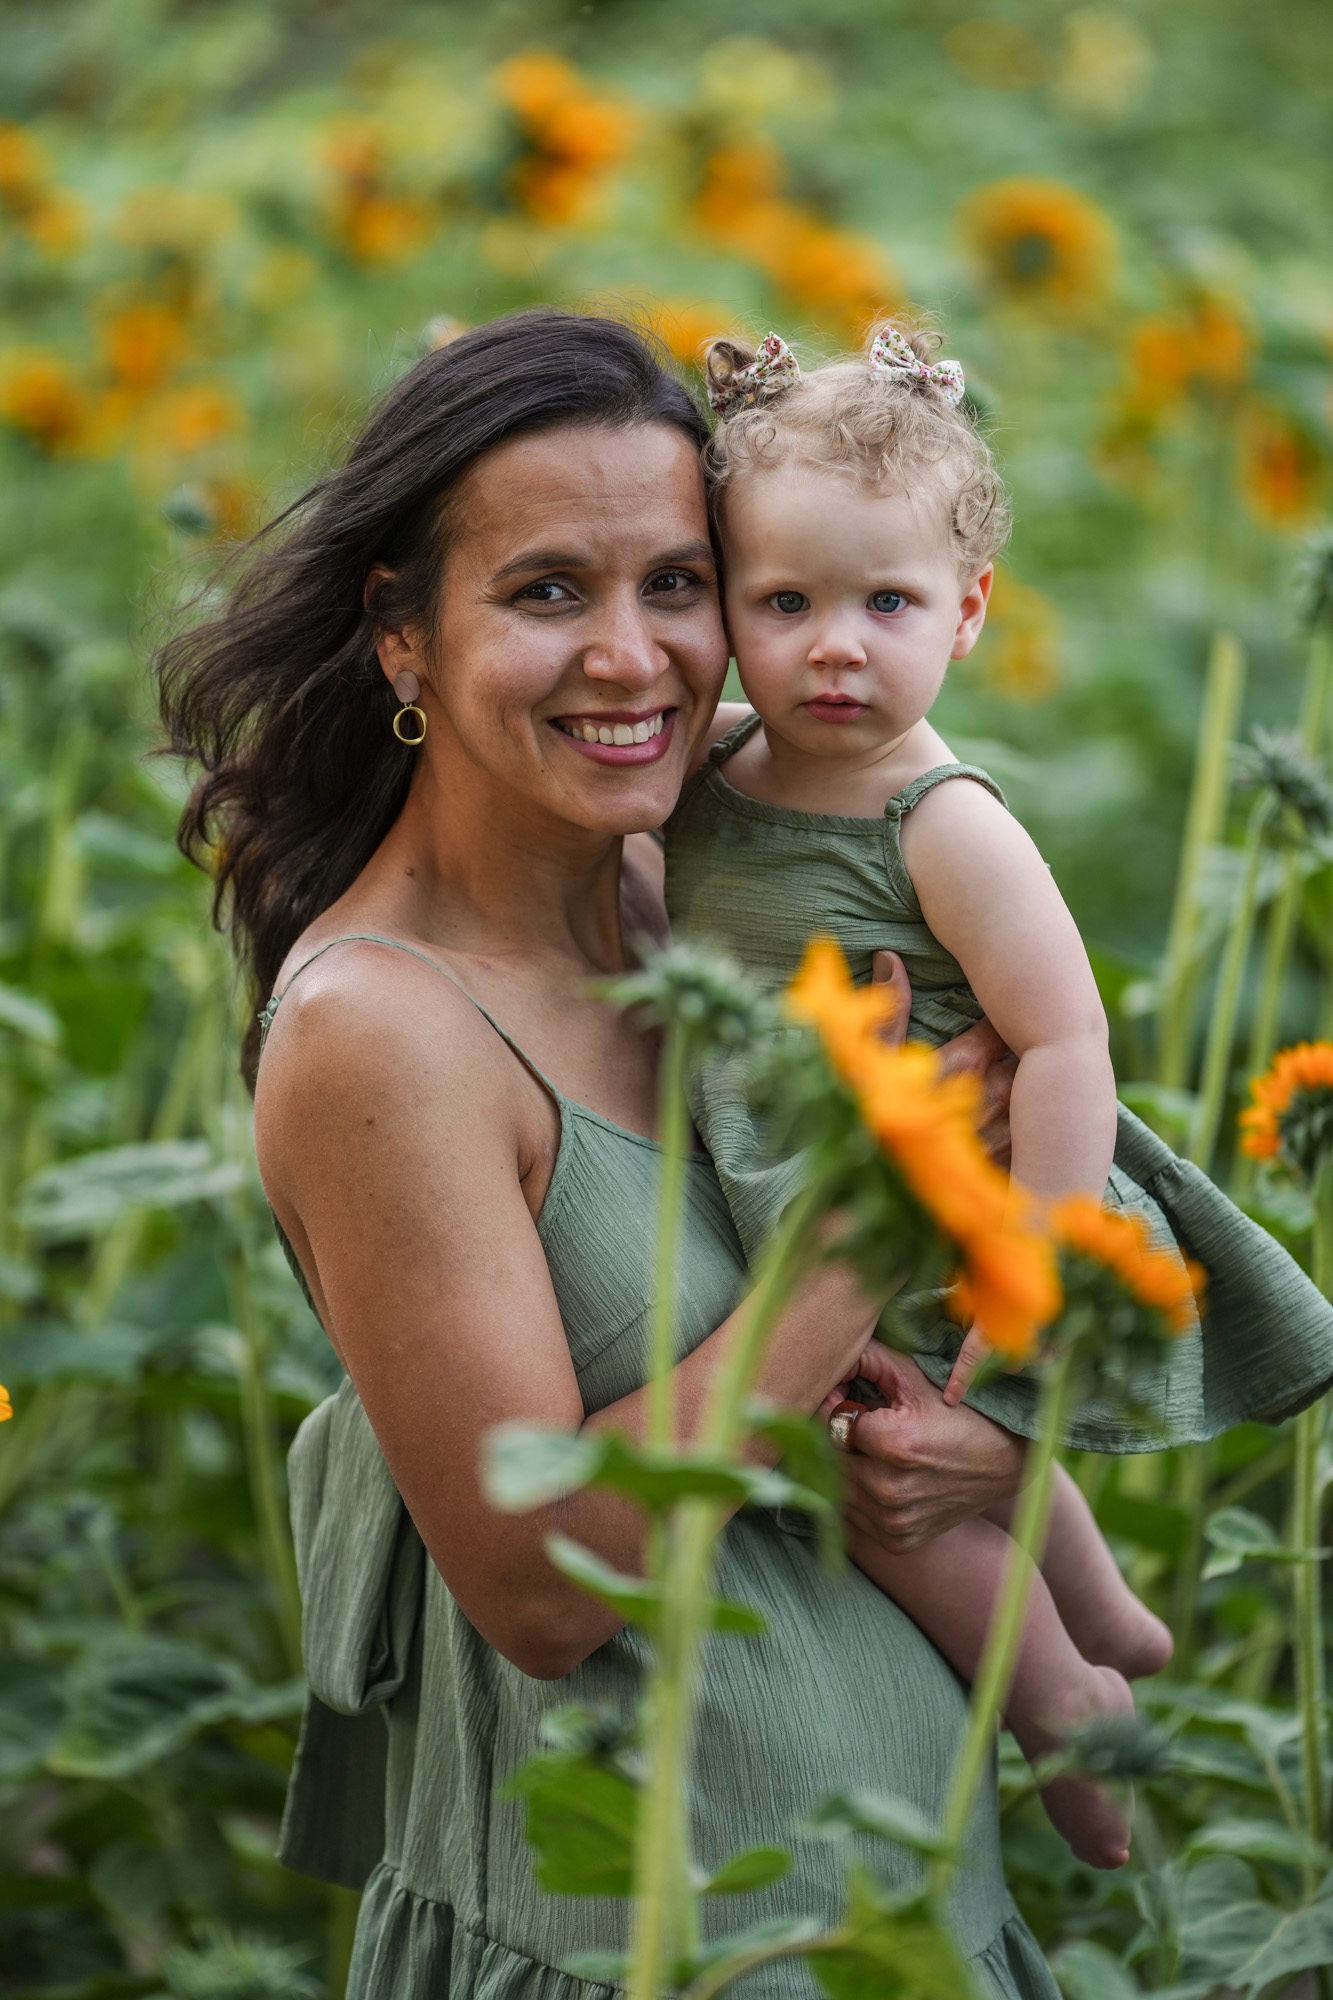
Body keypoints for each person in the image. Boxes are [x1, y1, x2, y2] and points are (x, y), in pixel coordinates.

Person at [156, 309, 1063, 1998]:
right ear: (403, 637)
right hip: (653, 1942)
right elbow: (541, 1583)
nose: (635, 658)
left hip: (901, 1903)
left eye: (678, 583)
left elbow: (893, 1375)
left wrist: (995, 1450)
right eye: (548, 590)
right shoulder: (384, 1032)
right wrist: (878, 1203)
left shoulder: (692, 899)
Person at [663, 321, 1333, 1868]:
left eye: (884, 604)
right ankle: (1106, 1611)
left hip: (953, 1194)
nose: (837, 645)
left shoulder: (938, 819)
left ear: (965, 615)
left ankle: (1064, 1707)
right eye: (786, 602)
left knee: (879, 1487)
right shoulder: (720, 766)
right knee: (930, 1457)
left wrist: (1028, 1254)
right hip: (809, 1169)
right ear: (727, 609)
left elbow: (1067, 1041)